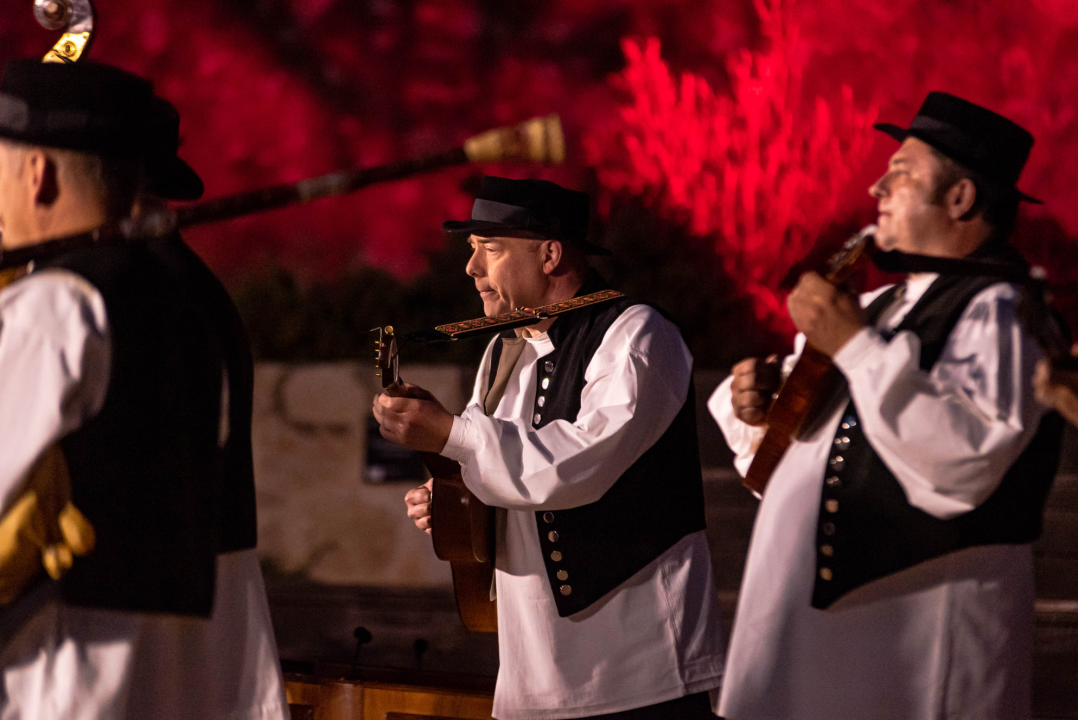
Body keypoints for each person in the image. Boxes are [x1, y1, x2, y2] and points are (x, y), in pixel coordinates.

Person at [710, 91, 1063, 720]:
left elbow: (967, 459)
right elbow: (800, 449)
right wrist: (760, 408)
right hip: (821, 636)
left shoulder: (1004, 313)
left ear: (960, 198)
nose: (877, 187)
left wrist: (853, 345)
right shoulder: (882, 306)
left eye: (901, 172)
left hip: (917, 639)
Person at [373, 176, 726, 719]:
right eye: (472, 249)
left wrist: (451, 435)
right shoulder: (501, 350)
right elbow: (492, 463)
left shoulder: (636, 335)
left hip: (637, 665)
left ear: (550, 255)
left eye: (490, 249)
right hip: (532, 667)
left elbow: (577, 463)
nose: (471, 268)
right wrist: (448, 491)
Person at [0, 59, 287, 719]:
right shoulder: (190, 299)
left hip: (62, 677)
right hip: (171, 675)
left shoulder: (55, 306)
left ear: (37, 174)